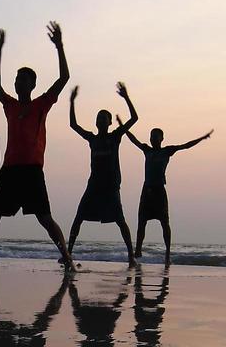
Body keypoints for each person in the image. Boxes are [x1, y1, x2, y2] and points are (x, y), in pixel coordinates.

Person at [0, 24, 71, 266]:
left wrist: (59, 46)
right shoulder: (9, 105)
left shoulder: (41, 104)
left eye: (23, 79)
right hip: (9, 171)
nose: (17, 82)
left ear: (32, 85)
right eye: (17, 78)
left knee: (45, 218)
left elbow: (64, 78)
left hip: (32, 171)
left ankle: (66, 256)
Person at [66, 82, 139, 264]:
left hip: (111, 185)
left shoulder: (115, 136)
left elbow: (134, 118)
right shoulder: (92, 138)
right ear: (96, 122)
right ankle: (67, 253)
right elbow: (73, 125)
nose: (101, 121)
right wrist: (72, 102)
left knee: (120, 221)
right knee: (79, 217)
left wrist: (127, 97)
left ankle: (131, 256)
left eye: (104, 118)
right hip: (94, 185)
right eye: (98, 118)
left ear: (109, 122)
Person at [127, 123, 213, 262]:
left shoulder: (167, 151)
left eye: (156, 137)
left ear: (162, 139)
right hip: (147, 190)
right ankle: (138, 251)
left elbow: (185, 145)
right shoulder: (146, 150)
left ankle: (167, 254)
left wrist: (202, 138)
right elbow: (134, 140)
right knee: (142, 222)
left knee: (164, 223)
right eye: (151, 137)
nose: (153, 139)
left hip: (159, 190)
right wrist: (123, 128)